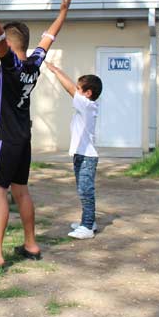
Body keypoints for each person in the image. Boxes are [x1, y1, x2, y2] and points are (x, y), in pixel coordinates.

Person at [0, 0, 71, 272]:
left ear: (10, 46)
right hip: (23, 138)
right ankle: (31, 244)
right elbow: (48, 38)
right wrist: (62, 14)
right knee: (20, 190)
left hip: (4, 139)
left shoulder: (11, 64)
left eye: (2, 44)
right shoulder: (33, 64)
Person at [46, 63, 102, 240]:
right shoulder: (85, 106)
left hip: (87, 157)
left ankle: (87, 227)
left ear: (88, 93)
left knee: (86, 191)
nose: (76, 92)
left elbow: (69, 88)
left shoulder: (87, 105)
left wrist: (56, 71)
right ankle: (88, 221)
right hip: (80, 155)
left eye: (79, 89)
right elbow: (73, 88)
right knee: (82, 190)